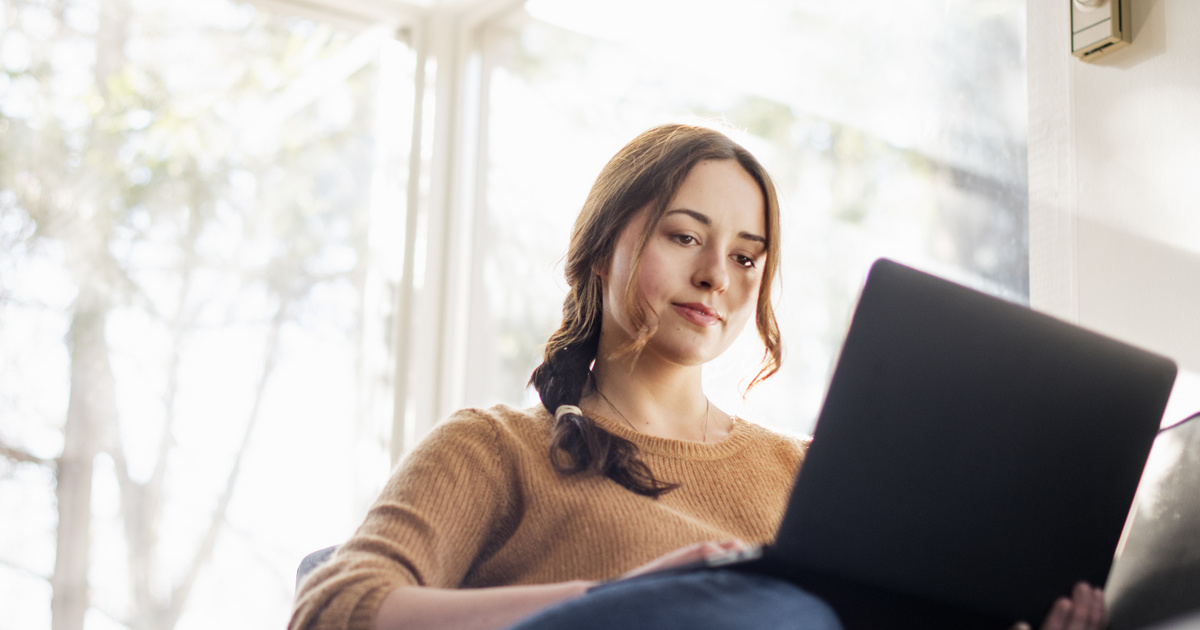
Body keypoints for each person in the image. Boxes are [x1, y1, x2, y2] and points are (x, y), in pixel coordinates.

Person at [289, 124, 1105, 630]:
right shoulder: (493, 449)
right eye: (685, 237)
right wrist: (616, 600)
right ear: (602, 246)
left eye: (748, 256)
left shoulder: (813, 477)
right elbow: (332, 610)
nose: (719, 274)